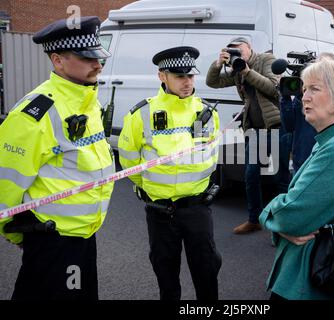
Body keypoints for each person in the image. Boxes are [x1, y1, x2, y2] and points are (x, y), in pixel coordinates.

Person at [0, 16, 114, 300]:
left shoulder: (89, 101)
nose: (98, 64)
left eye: (98, 57)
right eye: (87, 58)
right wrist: (19, 233)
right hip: (53, 240)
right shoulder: (35, 113)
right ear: (58, 60)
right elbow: (6, 183)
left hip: (84, 236)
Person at [259, 58, 334, 300]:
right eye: (304, 90)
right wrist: (283, 225)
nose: (305, 97)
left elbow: (290, 215)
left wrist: (269, 214)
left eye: (314, 88)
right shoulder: (333, 139)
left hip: (307, 282)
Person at [118, 46, 222, 301]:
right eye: (179, 76)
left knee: (206, 270)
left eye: (190, 76)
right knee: (165, 272)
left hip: (197, 208)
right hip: (160, 210)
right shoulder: (141, 114)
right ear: (162, 76)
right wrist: (150, 187)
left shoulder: (207, 113)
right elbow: (128, 157)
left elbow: (212, 157)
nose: (187, 82)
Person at [206, 37, 290, 234]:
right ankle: (254, 219)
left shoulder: (266, 60)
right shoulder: (235, 69)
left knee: (281, 177)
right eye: (232, 50)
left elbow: (273, 88)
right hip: (255, 131)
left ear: (249, 48)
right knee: (251, 175)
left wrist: (247, 71)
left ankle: (284, 223)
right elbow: (213, 82)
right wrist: (218, 64)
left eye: (239, 49)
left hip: (276, 127)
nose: (236, 53)